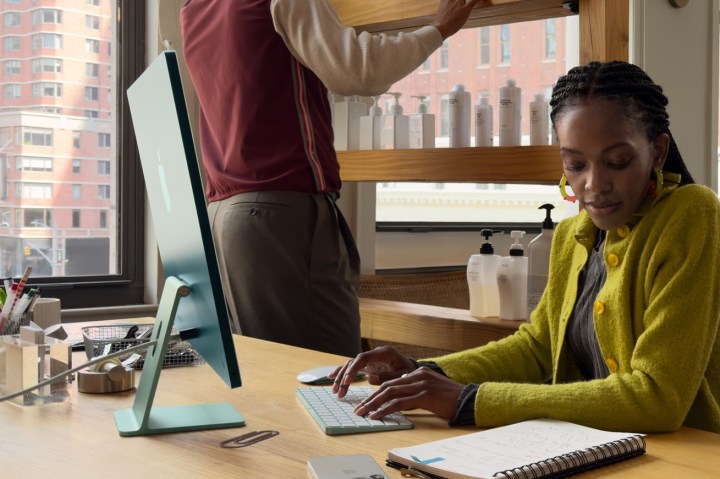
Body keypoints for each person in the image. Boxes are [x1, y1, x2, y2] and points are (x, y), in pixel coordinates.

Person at [331, 61, 720, 433]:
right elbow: (536, 348)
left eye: (618, 161)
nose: (594, 184)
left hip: (686, 455)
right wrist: (427, 372)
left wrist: (473, 400)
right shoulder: (572, 236)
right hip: (596, 445)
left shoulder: (691, 213)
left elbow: (657, 397)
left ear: (658, 151)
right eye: (575, 165)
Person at [179, 0, 482, 356]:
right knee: (334, 376)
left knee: (269, 369)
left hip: (223, 213)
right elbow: (360, 70)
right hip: (280, 211)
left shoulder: (193, 9)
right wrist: (439, 29)